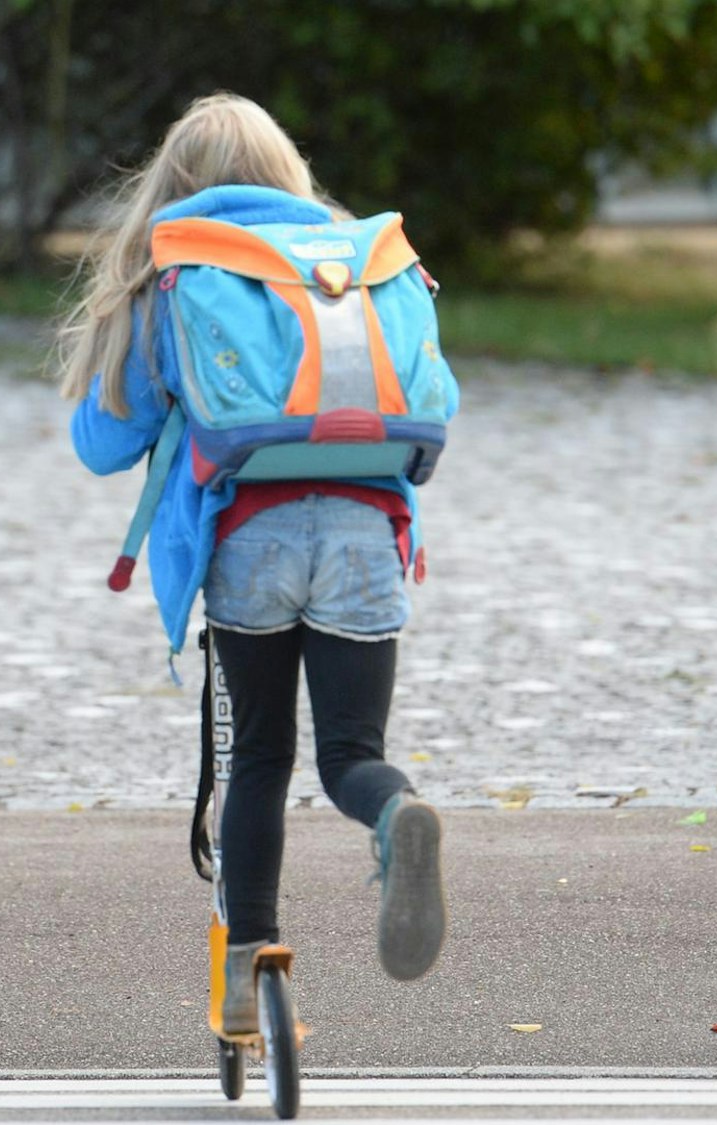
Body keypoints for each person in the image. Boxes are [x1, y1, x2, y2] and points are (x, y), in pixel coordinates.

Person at [59, 93, 449, 1031]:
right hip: (365, 531)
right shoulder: (357, 266)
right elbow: (440, 397)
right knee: (352, 753)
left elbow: (103, 442)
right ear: (288, 171)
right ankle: (396, 815)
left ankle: (247, 978)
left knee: (261, 759)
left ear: (174, 182)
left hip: (249, 538)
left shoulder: (183, 269)